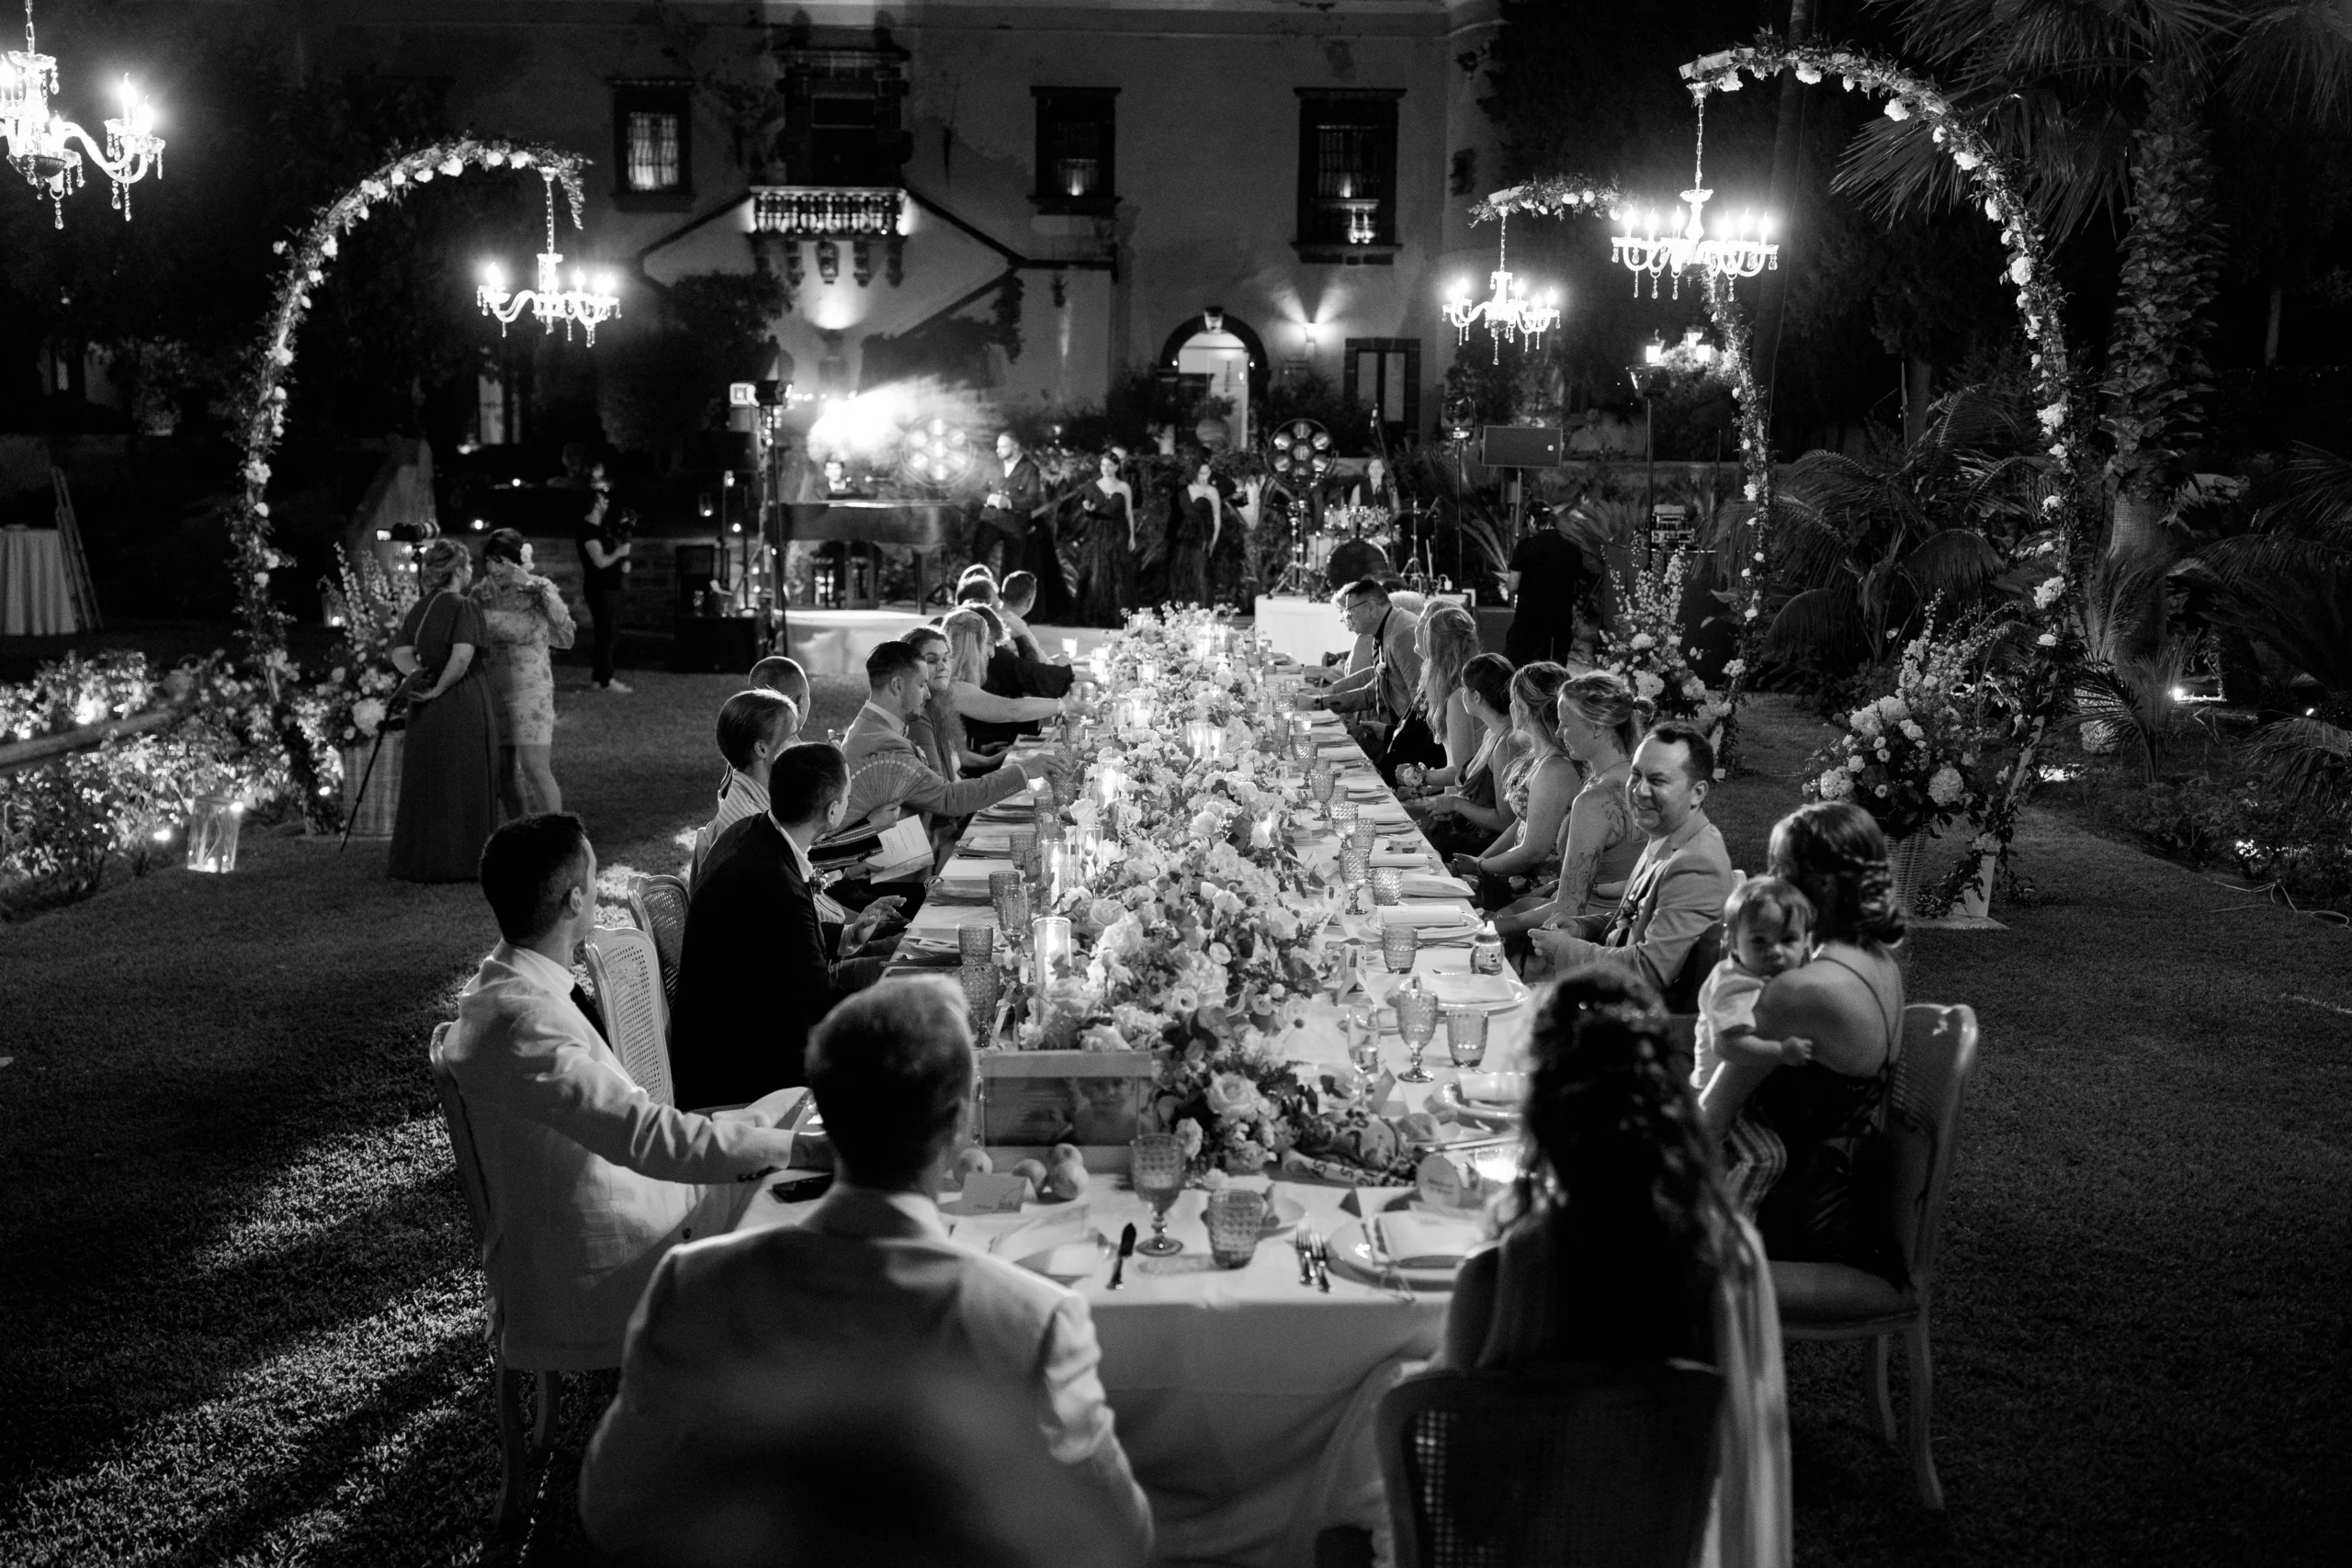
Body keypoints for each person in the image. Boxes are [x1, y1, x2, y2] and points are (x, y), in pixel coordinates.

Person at [579, 978, 1155, 1563]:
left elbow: (612, 1509)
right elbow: (1120, 1543)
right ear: (959, 1125)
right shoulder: (1035, 1324)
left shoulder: (691, 1286)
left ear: (822, 1113)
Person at [1435, 965, 1792, 1568]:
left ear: (1542, 1115)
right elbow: (1747, 1457)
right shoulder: (1729, 1263)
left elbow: (1463, 1506)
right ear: (1668, 1102)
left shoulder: (1496, 1278)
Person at [443, 813, 816, 1371]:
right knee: (807, 1174)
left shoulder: (505, 983)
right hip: (609, 1262)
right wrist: (798, 1149)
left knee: (801, 1103)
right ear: (574, 902)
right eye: (594, 880)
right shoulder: (525, 1027)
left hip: (619, 1196)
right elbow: (647, 1140)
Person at [1702, 802, 1906, 1277]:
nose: (1768, 879)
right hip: (1845, 1206)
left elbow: (1712, 1119)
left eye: (1780, 869)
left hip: (1783, 1217)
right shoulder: (1881, 963)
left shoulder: (1804, 989)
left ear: (1824, 885)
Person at [669, 743, 902, 1111]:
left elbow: (776, 937)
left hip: (736, 1028)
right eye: (847, 795)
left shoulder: (754, 832)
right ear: (833, 811)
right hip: (740, 1067)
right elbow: (817, 1003)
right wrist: (899, 1007)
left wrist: (846, 937)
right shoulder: (772, 876)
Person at [1522, 720, 1736, 1000]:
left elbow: (1649, 971)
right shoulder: (1671, 834)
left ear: (1697, 793)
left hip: (1642, 1022)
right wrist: (1583, 927)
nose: (1639, 791)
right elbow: (1639, 920)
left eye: (1658, 781)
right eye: (1636, 775)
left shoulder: (1695, 864)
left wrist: (1564, 950)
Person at [1492, 671, 1646, 938]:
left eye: (1566, 724)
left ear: (1598, 726)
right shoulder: (1642, 778)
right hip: (1623, 923)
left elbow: (1568, 910)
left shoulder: (1594, 800)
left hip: (1593, 935)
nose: (1559, 732)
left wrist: (1487, 928)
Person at [389, 538, 502, 883]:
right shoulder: (463, 606)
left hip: (425, 707)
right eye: (468, 567)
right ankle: (465, 860)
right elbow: (463, 656)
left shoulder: (420, 608)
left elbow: (400, 653)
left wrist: (421, 678)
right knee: (464, 778)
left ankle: (424, 860)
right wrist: (440, 687)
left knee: (429, 780)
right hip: (461, 700)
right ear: (458, 570)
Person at [841, 639, 1033, 838]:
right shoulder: (886, 745)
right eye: (922, 684)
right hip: (902, 863)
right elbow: (950, 799)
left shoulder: (867, 726)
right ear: (897, 685)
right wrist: (1024, 771)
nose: (928, 694)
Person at [1450, 662, 1577, 909]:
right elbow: (1521, 822)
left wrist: (1481, 867)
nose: (1508, 708)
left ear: (1523, 709)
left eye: (1512, 702)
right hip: (1516, 869)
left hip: (1537, 885)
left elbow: (1533, 851)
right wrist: (1481, 860)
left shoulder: (1556, 769)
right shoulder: (1536, 754)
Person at [473, 528, 576, 818]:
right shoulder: (481, 594)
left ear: (518, 562)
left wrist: (532, 585)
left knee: (534, 767)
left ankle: (557, 838)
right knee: (502, 773)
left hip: (532, 692)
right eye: (489, 561)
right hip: (494, 691)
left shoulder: (539, 588)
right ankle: (520, 835)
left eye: (501, 561)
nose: (493, 569)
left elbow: (567, 635)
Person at [1696, 875, 1818, 1100]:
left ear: (1806, 942)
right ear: (1732, 942)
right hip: (1718, 1100)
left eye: (1788, 939)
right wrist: (1780, 1052)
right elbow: (1726, 1044)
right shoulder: (1735, 983)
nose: (1775, 951)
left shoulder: (1764, 974)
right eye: (1760, 941)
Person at [1409, 651, 1524, 861]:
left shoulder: (1505, 746)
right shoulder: (1492, 733)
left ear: (1477, 696)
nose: (1460, 693)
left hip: (1489, 846)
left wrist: (1455, 804)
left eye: (1464, 687)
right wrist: (1423, 786)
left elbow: (1505, 821)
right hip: (1470, 830)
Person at [689, 689, 801, 887]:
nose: (800, 744)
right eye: (792, 737)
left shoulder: (757, 800)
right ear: (762, 749)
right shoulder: (751, 829)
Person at [1312, 578, 1422, 775]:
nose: (1347, 617)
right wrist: (1321, 702)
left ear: (1370, 607)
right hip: (1391, 732)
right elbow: (1374, 688)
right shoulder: (1386, 629)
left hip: (1411, 743)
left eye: (1350, 610)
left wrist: (1390, 736)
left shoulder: (1403, 634)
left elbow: (1421, 704)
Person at [942, 607, 1063, 762]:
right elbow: (1011, 709)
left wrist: (989, 760)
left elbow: (951, 754)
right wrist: (1060, 706)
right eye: (989, 643)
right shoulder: (952, 688)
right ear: (972, 647)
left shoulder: (949, 684)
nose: (992, 654)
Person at [1392, 602, 1480, 795]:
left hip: (1461, 808)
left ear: (1434, 645)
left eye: (1424, 629)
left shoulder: (1459, 696)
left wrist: (1416, 775)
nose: (1417, 631)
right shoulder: (1448, 687)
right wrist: (1423, 789)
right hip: (1449, 798)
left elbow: (1463, 770)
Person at [568, 453, 633, 694]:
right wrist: (618, 553)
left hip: (611, 586)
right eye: (602, 501)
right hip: (601, 588)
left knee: (610, 632)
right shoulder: (588, 532)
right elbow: (600, 562)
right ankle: (604, 679)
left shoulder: (600, 529)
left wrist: (623, 563)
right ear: (594, 505)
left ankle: (601, 677)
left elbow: (612, 560)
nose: (605, 504)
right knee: (606, 633)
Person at [1505, 503, 1591, 668]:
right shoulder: (1572, 548)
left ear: (1531, 519)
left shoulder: (1526, 546)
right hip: (1560, 621)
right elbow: (1578, 582)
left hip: (1529, 621)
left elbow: (1512, 585)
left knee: (1517, 666)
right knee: (1554, 669)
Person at [1075, 450, 1136, 628]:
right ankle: (1097, 614)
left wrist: (1131, 535)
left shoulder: (1124, 487)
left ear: (1116, 467)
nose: (1106, 468)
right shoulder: (1092, 486)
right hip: (1098, 532)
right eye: (1103, 465)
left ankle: (1119, 615)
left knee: (1118, 572)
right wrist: (1088, 508)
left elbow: (1129, 513)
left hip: (1118, 531)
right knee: (1098, 571)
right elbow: (1087, 509)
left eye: (1110, 465)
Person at [974, 432, 1045, 580]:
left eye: (1003, 447)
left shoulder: (1029, 468)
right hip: (990, 519)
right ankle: (976, 592)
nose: (998, 450)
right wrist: (988, 498)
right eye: (998, 446)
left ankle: (1007, 599)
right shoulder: (993, 466)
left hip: (1015, 523)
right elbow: (978, 490)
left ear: (1016, 447)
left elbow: (1032, 499)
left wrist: (1010, 503)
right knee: (978, 555)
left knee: (1013, 566)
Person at [1164, 454, 1219, 606]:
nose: (1205, 476)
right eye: (1201, 473)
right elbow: (1175, 515)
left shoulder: (1212, 491)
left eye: (1207, 473)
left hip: (1203, 534)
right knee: (1182, 571)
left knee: (1201, 571)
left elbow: (1216, 516)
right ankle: (1182, 607)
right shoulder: (1183, 491)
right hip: (1185, 534)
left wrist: (1214, 538)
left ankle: (1203, 607)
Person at [997, 570, 1046, 661]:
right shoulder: (1017, 626)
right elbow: (1041, 663)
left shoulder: (993, 614)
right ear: (1030, 601)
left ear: (1003, 595)